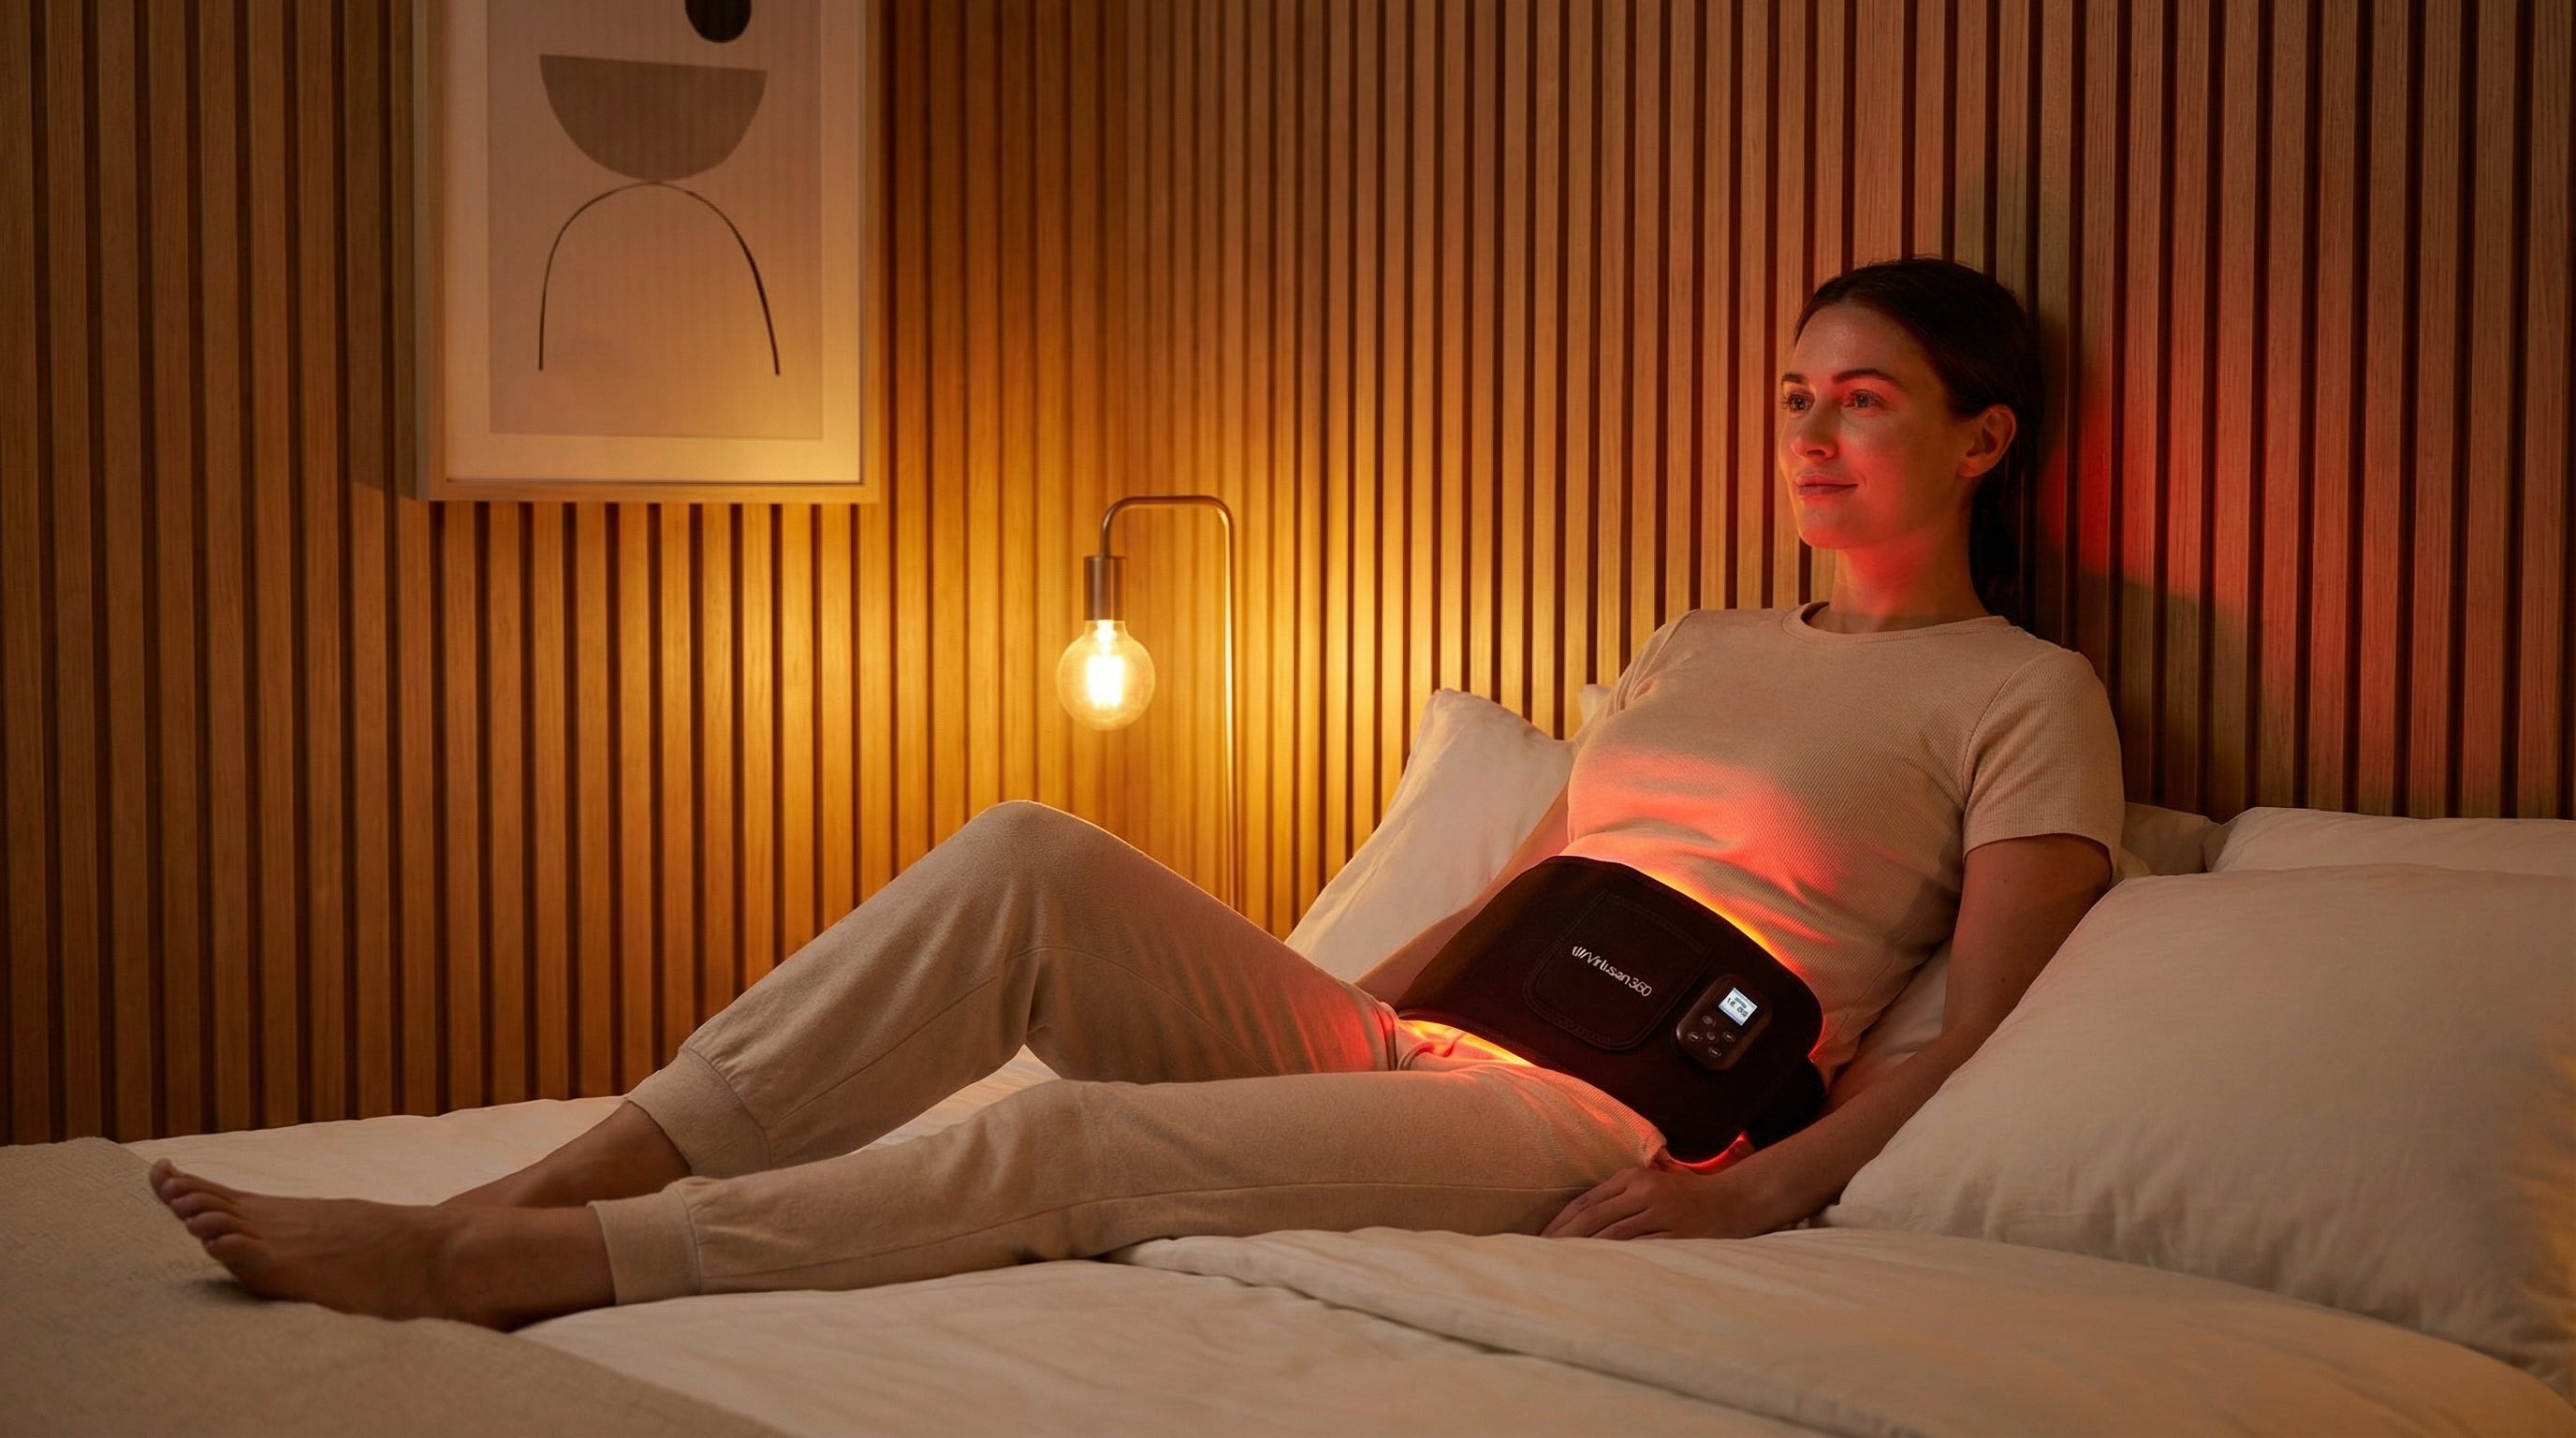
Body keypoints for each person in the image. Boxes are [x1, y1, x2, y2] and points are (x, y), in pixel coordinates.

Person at [150, 257, 2125, 1328]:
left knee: (1070, 1140)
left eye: (1861, 401)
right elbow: (1534, 884)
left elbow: (1972, 1032)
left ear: (1981, 441)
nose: (1810, 433)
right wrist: (1336, 1020)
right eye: (1793, 396)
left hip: (1598, 1112)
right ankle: (552, 1181)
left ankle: (506, 1267)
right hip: (1423, 1038)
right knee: (1029, 851)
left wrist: (1760, 1192)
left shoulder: (2023, 696)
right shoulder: (1697, 642)